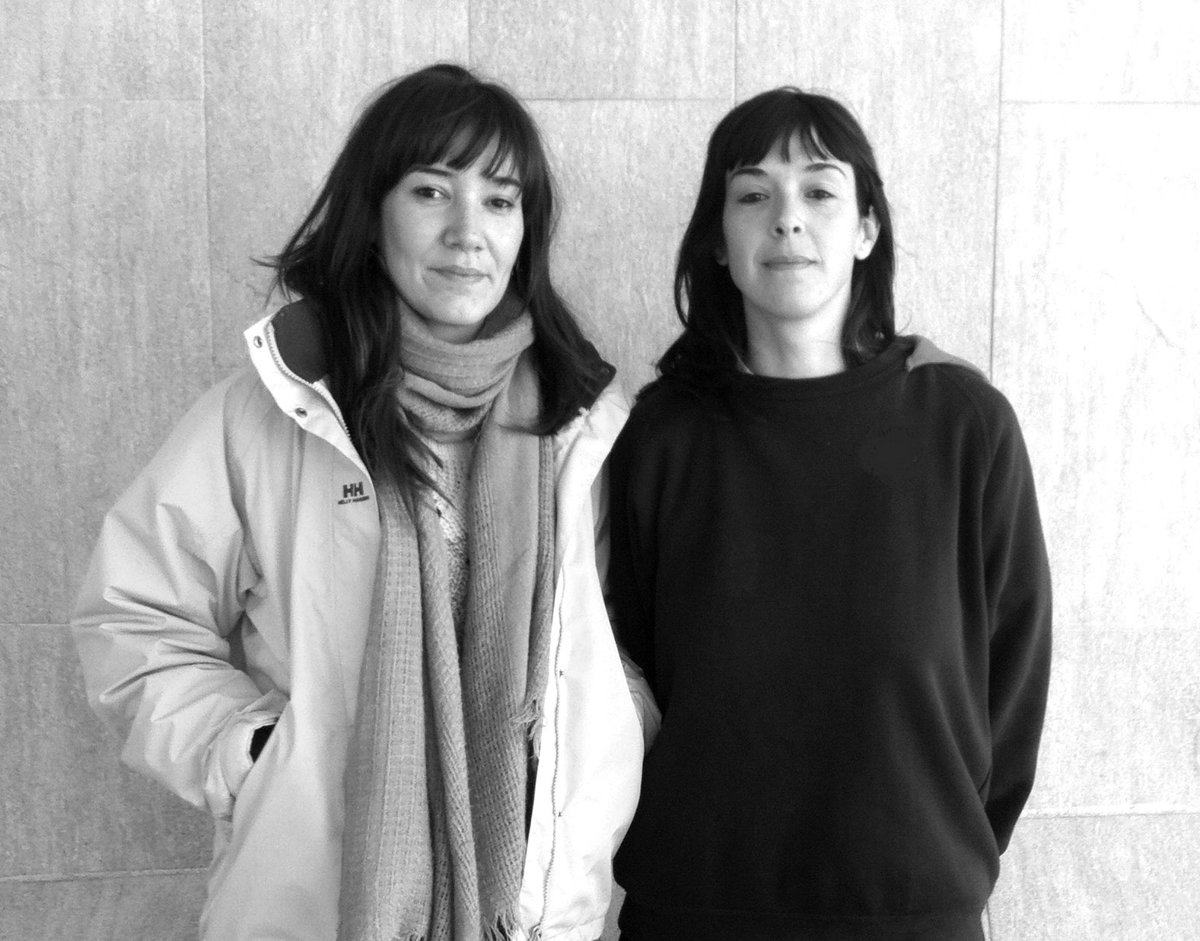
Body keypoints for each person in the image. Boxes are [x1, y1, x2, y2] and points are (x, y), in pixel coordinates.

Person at [72, 63, 658, 941]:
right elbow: (131, 614)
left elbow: (620, 642)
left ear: (526, 231)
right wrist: (250, 754)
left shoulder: (580, 427)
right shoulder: (278, 408)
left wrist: (614, 740)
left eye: (500, 200)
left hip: (534, 914)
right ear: (373, 215)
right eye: (431, 191)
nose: (468, 231)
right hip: (312, 903)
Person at [607, 87, 1052, 941]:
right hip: (695, 912)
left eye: (818, 190)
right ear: (718, 239)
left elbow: (1014, 683)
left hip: (911, 915)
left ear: (866, 229)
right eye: (753, 194)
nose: (787, 218)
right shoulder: (657, 437)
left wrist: (937, 862)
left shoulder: (964, 426)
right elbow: (623, 678)